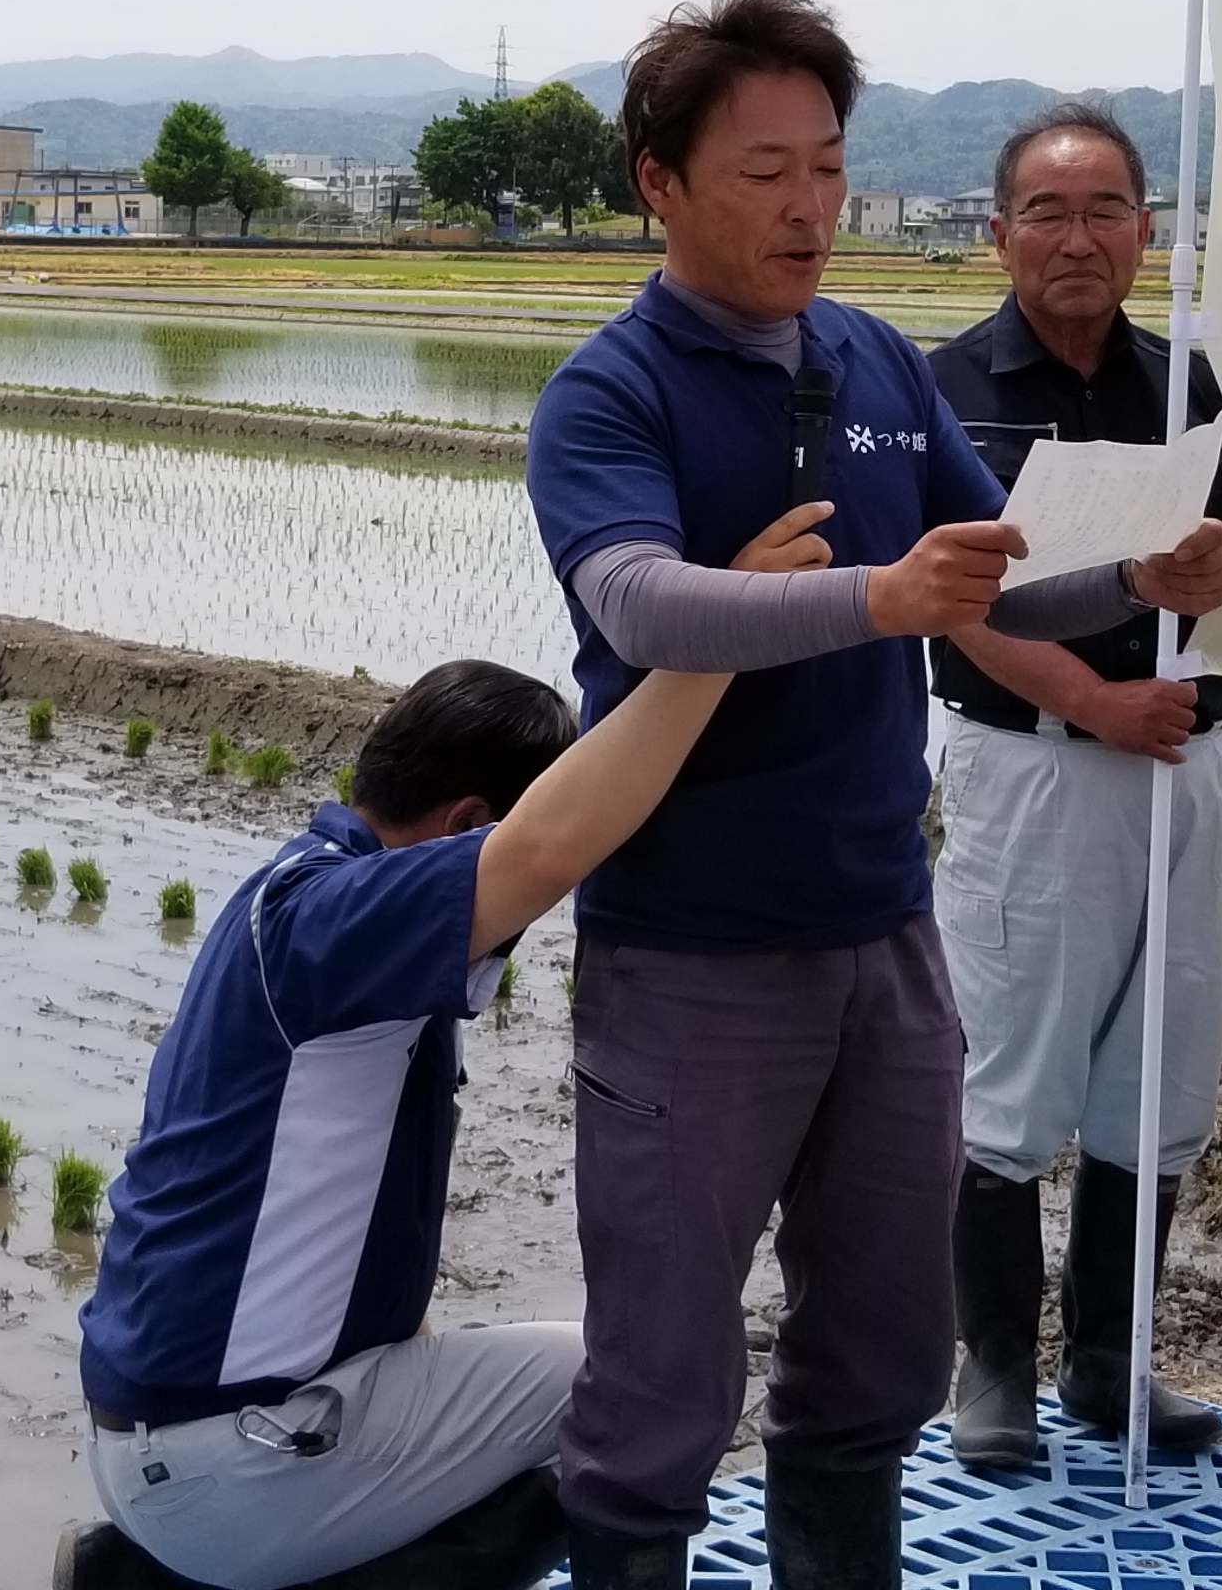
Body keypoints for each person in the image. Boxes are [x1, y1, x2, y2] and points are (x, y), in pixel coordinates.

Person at [522, 0, 1222, 1589]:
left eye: (829, 167)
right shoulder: (611, 393)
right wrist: (875, 601)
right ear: (660, 181)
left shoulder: (870, 362)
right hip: (693, 952)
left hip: (881, 941)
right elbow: (637, 601)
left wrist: (1134, 565)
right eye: (765, 169)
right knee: (661, 1382)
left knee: (879, 1357)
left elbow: (984, 581)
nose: (809, 207)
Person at [61, 644, 752, 1590]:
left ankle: (161, 1572)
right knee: (652, 1387)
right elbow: (552, 843)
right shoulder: (339, 922)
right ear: (467, 823)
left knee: (534, 1376)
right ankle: (183, 1582)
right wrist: (724, 642)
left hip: (173, 1435)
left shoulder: (299, 896)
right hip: (222, 1462)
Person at [922, 101, 1222, 1470]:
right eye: (1046, 213)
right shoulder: (942, 388)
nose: (1077, 238)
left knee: (1159, 1072)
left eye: (1104, 209)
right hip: (1037, 771)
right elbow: (950, 600)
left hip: (1192, 767)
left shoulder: (1195, 388)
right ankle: (991, 1366)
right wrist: (1094, 697)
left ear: (1145, 230)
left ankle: (1113, 1366)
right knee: (1011, 1072)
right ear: (998, 233)